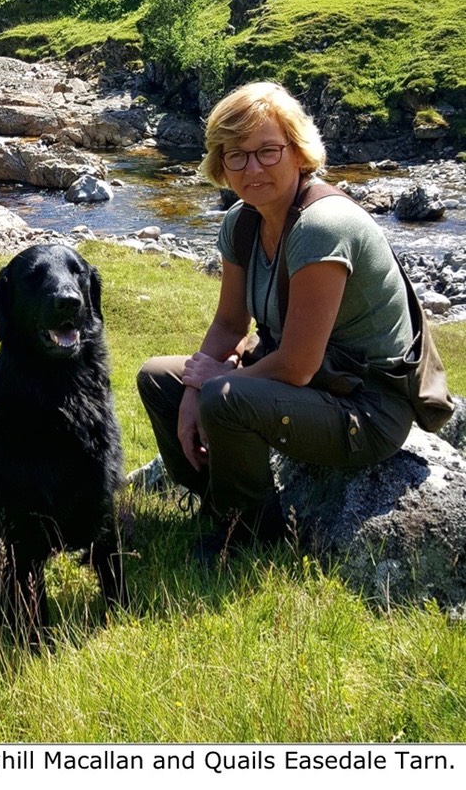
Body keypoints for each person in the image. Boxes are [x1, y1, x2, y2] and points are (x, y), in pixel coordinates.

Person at [137, 81, 418, 561]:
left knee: (224, 397)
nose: (253, 168)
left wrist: (215, 382)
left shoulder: (322, 227)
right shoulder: (242, 223)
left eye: (268, 151)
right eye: (236, 156)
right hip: (317, 383)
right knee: (157, 378)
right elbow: (229, 325)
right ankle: (217, 499)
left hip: (366, 407)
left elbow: (298, 366)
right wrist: (190, 388)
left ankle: (247, 536)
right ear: (220, 164)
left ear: (297, 151)